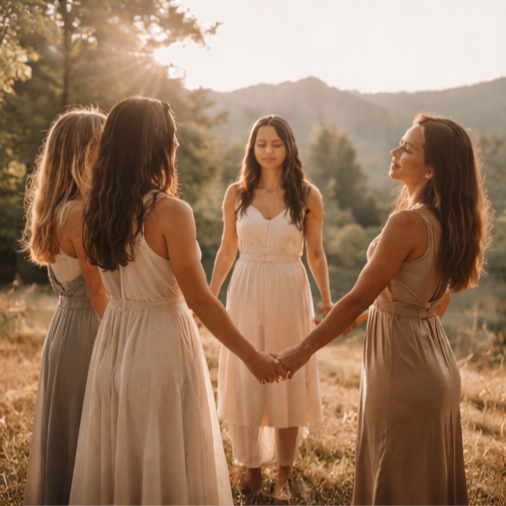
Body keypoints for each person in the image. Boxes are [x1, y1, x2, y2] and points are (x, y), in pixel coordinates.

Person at [68, 97, 285, 505]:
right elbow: (200, 300)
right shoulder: (171, 212)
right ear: (154, 145)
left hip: (114, 341)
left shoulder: (94, 209)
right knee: (165, 450)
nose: (177, 145)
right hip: (162, 343)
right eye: (172, 136)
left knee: (122, 450)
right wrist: (252, 357)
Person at [277, 113, 491, 505]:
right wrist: (361, 320)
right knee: (423, 485)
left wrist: (301, 351)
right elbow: (428, 299)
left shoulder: (407, 223)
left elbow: (360, 294)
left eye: (407, 148)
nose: (395, 152)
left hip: (402, 371)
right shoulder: (452, 222)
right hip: (436, 365)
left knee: (393, 481)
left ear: (431, 169)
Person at [210, 114, 330, 499]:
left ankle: (284, 473)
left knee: (286, 374)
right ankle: (251, 471)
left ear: (289, 147)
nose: (268, 151)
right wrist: (210, 296)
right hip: (243, 288)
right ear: (252, 148)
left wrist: (327, 300)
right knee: (248, 377)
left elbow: (315, 252)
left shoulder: (308, 196)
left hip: (288, 288)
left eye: (276, 144)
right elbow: (227, 250)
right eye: (261, 144)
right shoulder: (236, 193)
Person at [22, 109, 109, 505]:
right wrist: (123, 337)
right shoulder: (79, 214)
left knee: (70, 427)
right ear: (84, 153)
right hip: (89, 328)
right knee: (86, 429)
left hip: (65, 328)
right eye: (101, 144)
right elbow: (96, 290)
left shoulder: (59, 208)